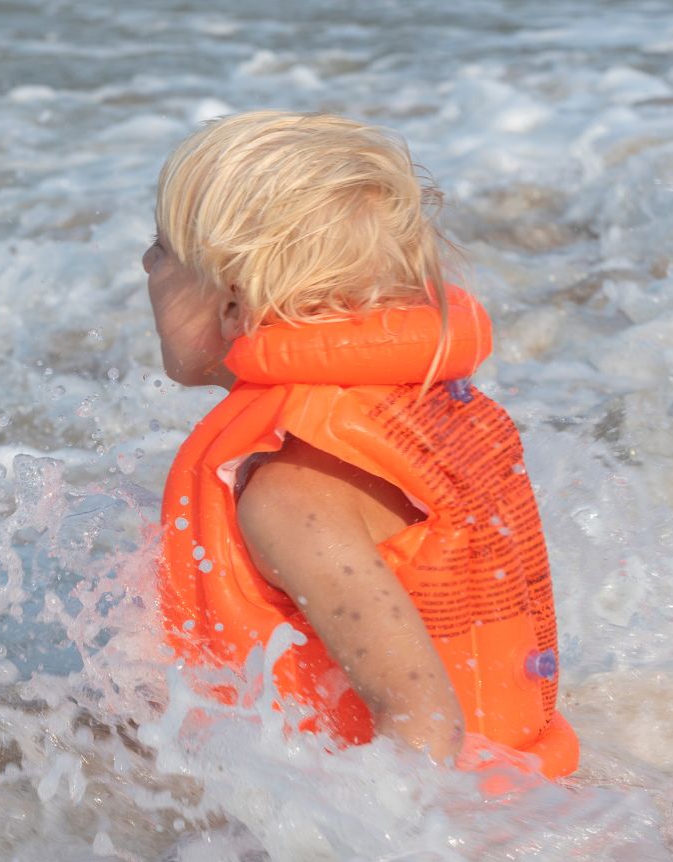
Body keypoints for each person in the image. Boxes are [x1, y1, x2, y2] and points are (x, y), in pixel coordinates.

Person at [147, 111, 578, 779]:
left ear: (233, 305)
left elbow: (426, 723)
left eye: (162, 247)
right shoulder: (412, 415)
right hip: (526, 788)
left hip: (469, 844)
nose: (146, 261)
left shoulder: (291, 496)